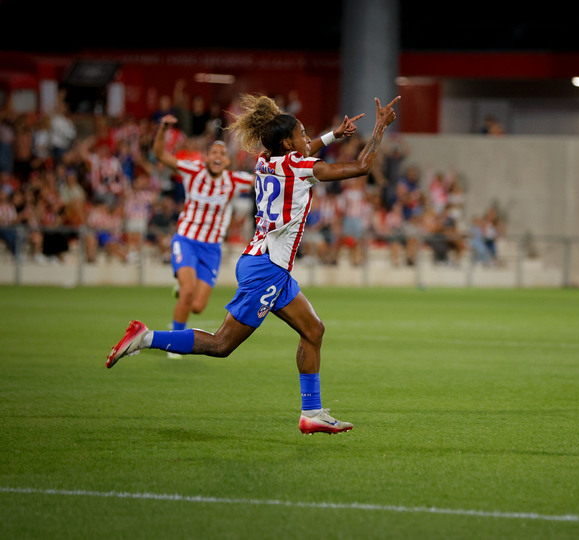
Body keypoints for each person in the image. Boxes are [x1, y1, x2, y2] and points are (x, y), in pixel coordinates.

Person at [106, 94, 399, 436]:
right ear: (288, 143)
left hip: (267, 264)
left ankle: (312, 413)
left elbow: (304, 150)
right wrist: (380, 127)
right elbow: (361, 167)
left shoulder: (264, 161)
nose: (308, 139)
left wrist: (333, 135)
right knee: (221, 344)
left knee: (313, 330)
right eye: (303, 134)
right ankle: (145, 337)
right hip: (267, 268)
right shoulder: (298, 167)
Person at [150, 115, 255, 354]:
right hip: (186, 239)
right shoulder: (193, 170)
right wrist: (162, 129)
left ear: (227, 161)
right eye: (213, 153)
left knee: (197, 306)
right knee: (188, 292)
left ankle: (181, 291)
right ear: (206, 157)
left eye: (222, 154)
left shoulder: (234, 180)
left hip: (211, 248)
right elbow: (160, 155)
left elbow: (263, 180)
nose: (218, 156)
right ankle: (173, 346)